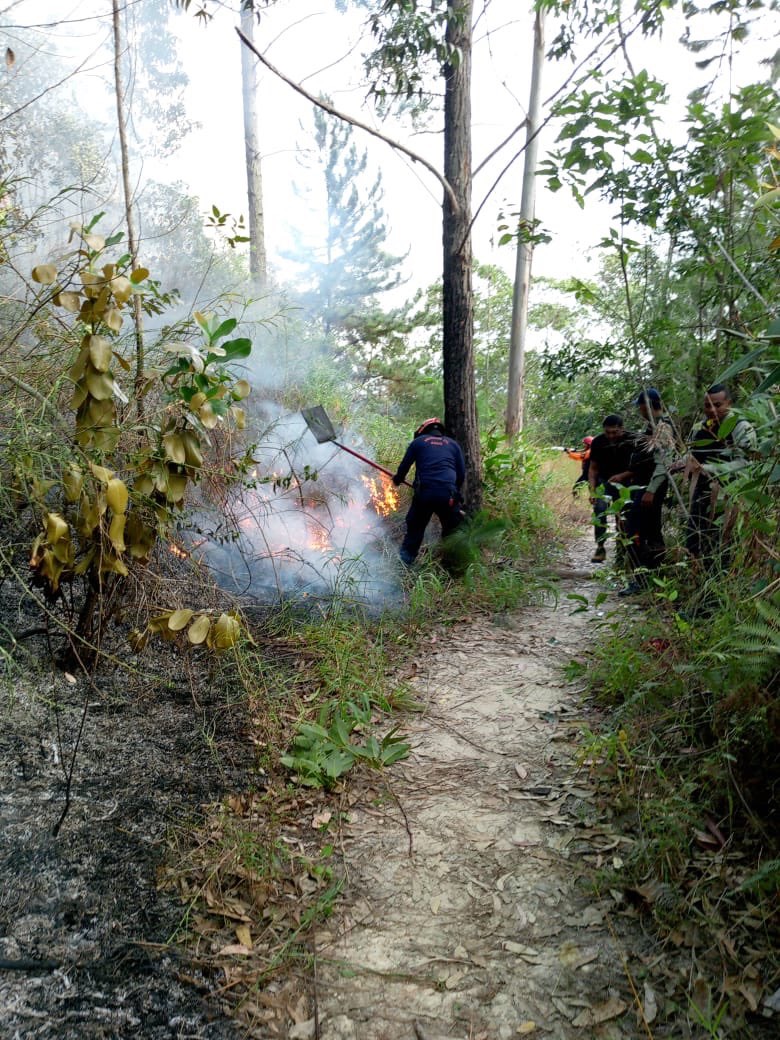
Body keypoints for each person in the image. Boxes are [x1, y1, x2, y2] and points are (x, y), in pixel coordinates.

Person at [672, 384, 756, 563]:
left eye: (717, 405)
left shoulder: (741, 427)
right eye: (707, 405)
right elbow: (692, 454)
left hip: (729, 497)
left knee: (722, 545)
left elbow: (745, 463)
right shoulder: (699, 427)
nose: (711, 410)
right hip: (701, 493)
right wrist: (681, 464)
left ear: (729, 403)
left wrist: (706, 469)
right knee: (695, 541)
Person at [612, 388, 676, 595]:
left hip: (650, 489)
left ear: (645, 405)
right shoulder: (651, 427)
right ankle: (653, 578)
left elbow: (663, 463)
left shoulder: (663, 427)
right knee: (648, 531)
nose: (639, 410)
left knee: (635, 532)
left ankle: (643, 579)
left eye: (639, 406)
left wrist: (651, 491)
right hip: (643, 486)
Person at [392, 417, 466, 565]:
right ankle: (452, 566)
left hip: (425, 494)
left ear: (423, 431)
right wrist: (454, 492)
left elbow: (405, 466)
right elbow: (461, 473)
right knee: (452, 531)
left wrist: (397, 479)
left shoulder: (418, 443)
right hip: (448, 496)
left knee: (415, 530)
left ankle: (405, 565)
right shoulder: (453, 445)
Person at [587, 415, 637, 563]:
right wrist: (592, 490)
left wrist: (622, 476)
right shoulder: (598, 442)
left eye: (614, 432)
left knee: (623, 516)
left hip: (626, 482)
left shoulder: (632, 440)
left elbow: (640, 467)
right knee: (600, 510)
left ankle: (622, 551)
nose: (611, 436)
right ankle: (600, 547)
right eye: (607, 432)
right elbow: (593, 469)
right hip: (604, 482)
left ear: (622, 429)